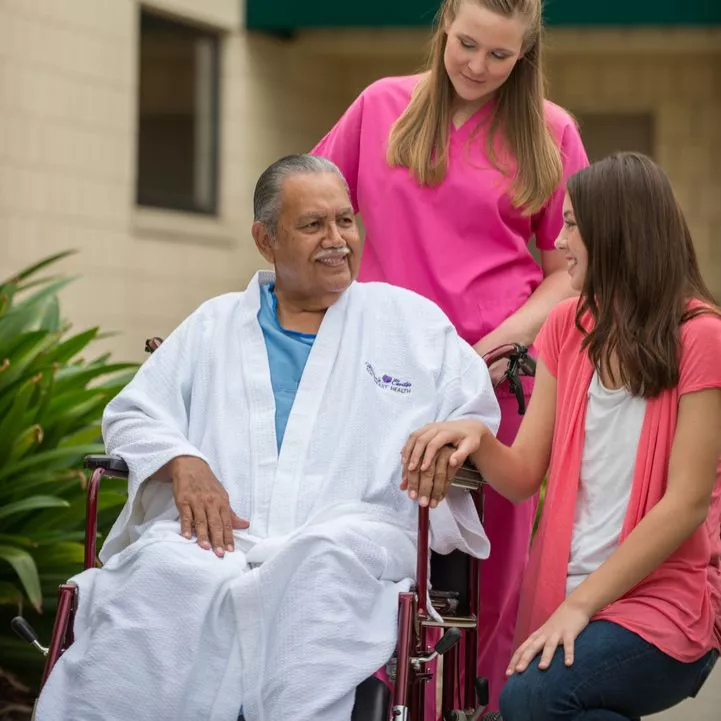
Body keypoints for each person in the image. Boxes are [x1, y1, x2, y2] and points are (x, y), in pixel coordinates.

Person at [34, 155, 502, 721]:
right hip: (218, 539)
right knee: (162, 575)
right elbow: (133, 413)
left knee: (317, 567)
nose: (337, 240)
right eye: (313, 225)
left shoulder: (408, 323)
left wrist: (460, 429)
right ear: (265, 239)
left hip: (352, 532)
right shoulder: (214, 325)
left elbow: (473, 406)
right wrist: (180, 459)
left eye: (346, 221)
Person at [311, 0, 589, 709]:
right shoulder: (379, 107)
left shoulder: (550, 132)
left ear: (523, 54)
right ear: (443, 26)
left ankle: (475, 706)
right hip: (373, 381)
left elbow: (571, 265)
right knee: (361, 557)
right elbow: (307, 208)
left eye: (500, 56)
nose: (476, 66)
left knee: (486, 580)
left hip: (492, 386)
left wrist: (499, 344)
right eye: (466, 44)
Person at [401, 152, 721, 720]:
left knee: (529, 697)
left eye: (572, 225)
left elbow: (687, 505)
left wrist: (579, 606)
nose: (560, 240)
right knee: (557, 706)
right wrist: (478, 434)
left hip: (664, 603)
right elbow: (525, 475)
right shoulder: (568, 326)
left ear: (616, 234)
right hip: (569, 590)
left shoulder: (701, 337)